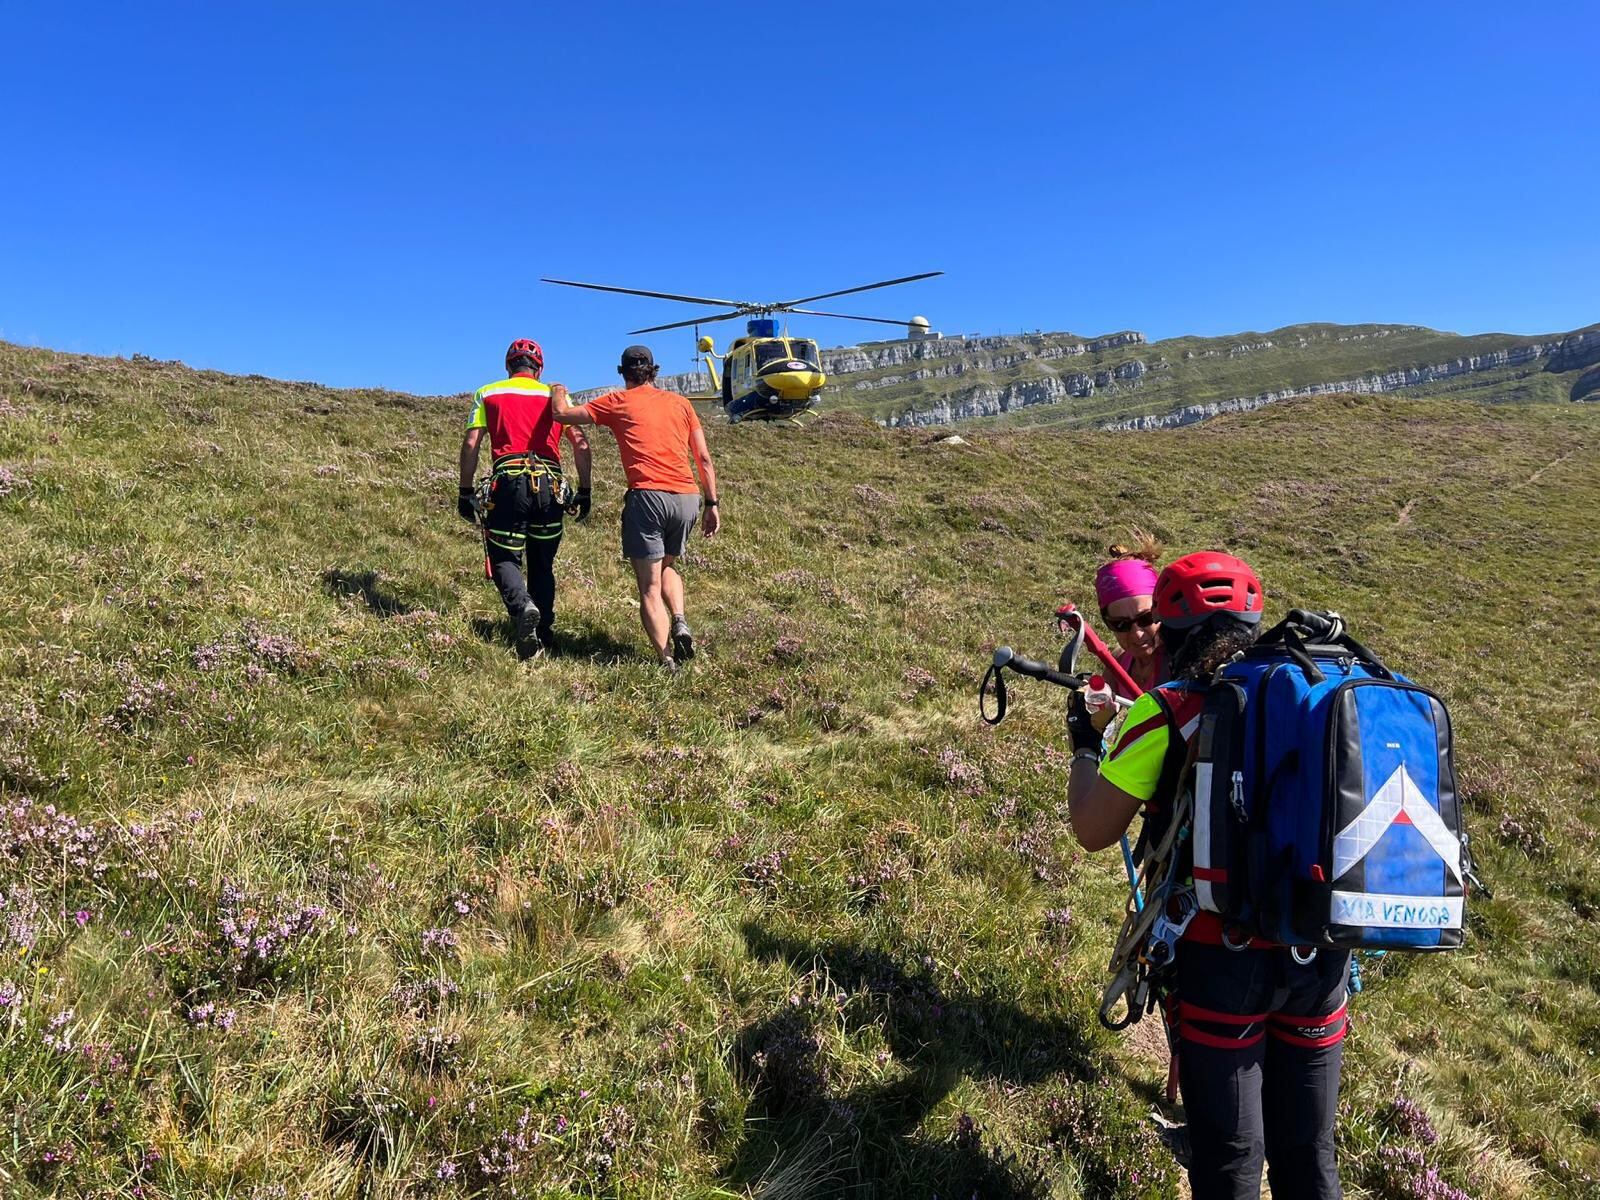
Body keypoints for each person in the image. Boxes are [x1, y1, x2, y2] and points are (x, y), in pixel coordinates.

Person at [1066, 552, 1350, 1200]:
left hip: (1221, 964)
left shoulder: (1165, 711)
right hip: (1320, 954)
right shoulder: (1314, 698)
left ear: (1168, 629)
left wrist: (1086, 741)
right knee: (1310, 1159)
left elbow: (1092, 829)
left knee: (1229, 1163)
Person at [550, 345, 720, 669]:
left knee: (649, 587)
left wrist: (558, 391)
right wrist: (712, 504)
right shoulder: (682, 404)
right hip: (687, 497)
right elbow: (705, 459)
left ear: (622, 372)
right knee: (667, 566)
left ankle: (666, 660)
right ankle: (680, 619)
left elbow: (562, 415)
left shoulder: (617, 401)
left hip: (648, 497)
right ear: (654, 370)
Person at [457, 338, 592, 658]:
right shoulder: (555, 396)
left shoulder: (487, 393)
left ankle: (522, 608)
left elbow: (471, 444)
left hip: (508, 482)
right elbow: (580, 444)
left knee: (504, 557)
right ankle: (543, 632)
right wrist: (584, 491)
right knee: (543, 564)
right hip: (550, 486)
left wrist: (464, 491)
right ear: (539, 368)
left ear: (508, 366)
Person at [1093, 530, 1167, 699]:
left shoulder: (1182, 664)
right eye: (1120, 624)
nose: (1137, 634)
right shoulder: (1119, 661)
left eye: (1146, 618)